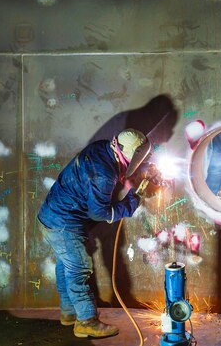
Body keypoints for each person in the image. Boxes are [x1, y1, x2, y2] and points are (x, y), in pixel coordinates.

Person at [37, 128, 152, 338]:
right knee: (79, 268)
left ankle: (69, 313)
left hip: (50, 217)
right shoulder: (104, 175)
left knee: (66, 265)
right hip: (64, 224)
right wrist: (134, 199)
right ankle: (86, 322)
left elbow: (108, 174)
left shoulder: (102, 148)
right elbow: (100, 213)